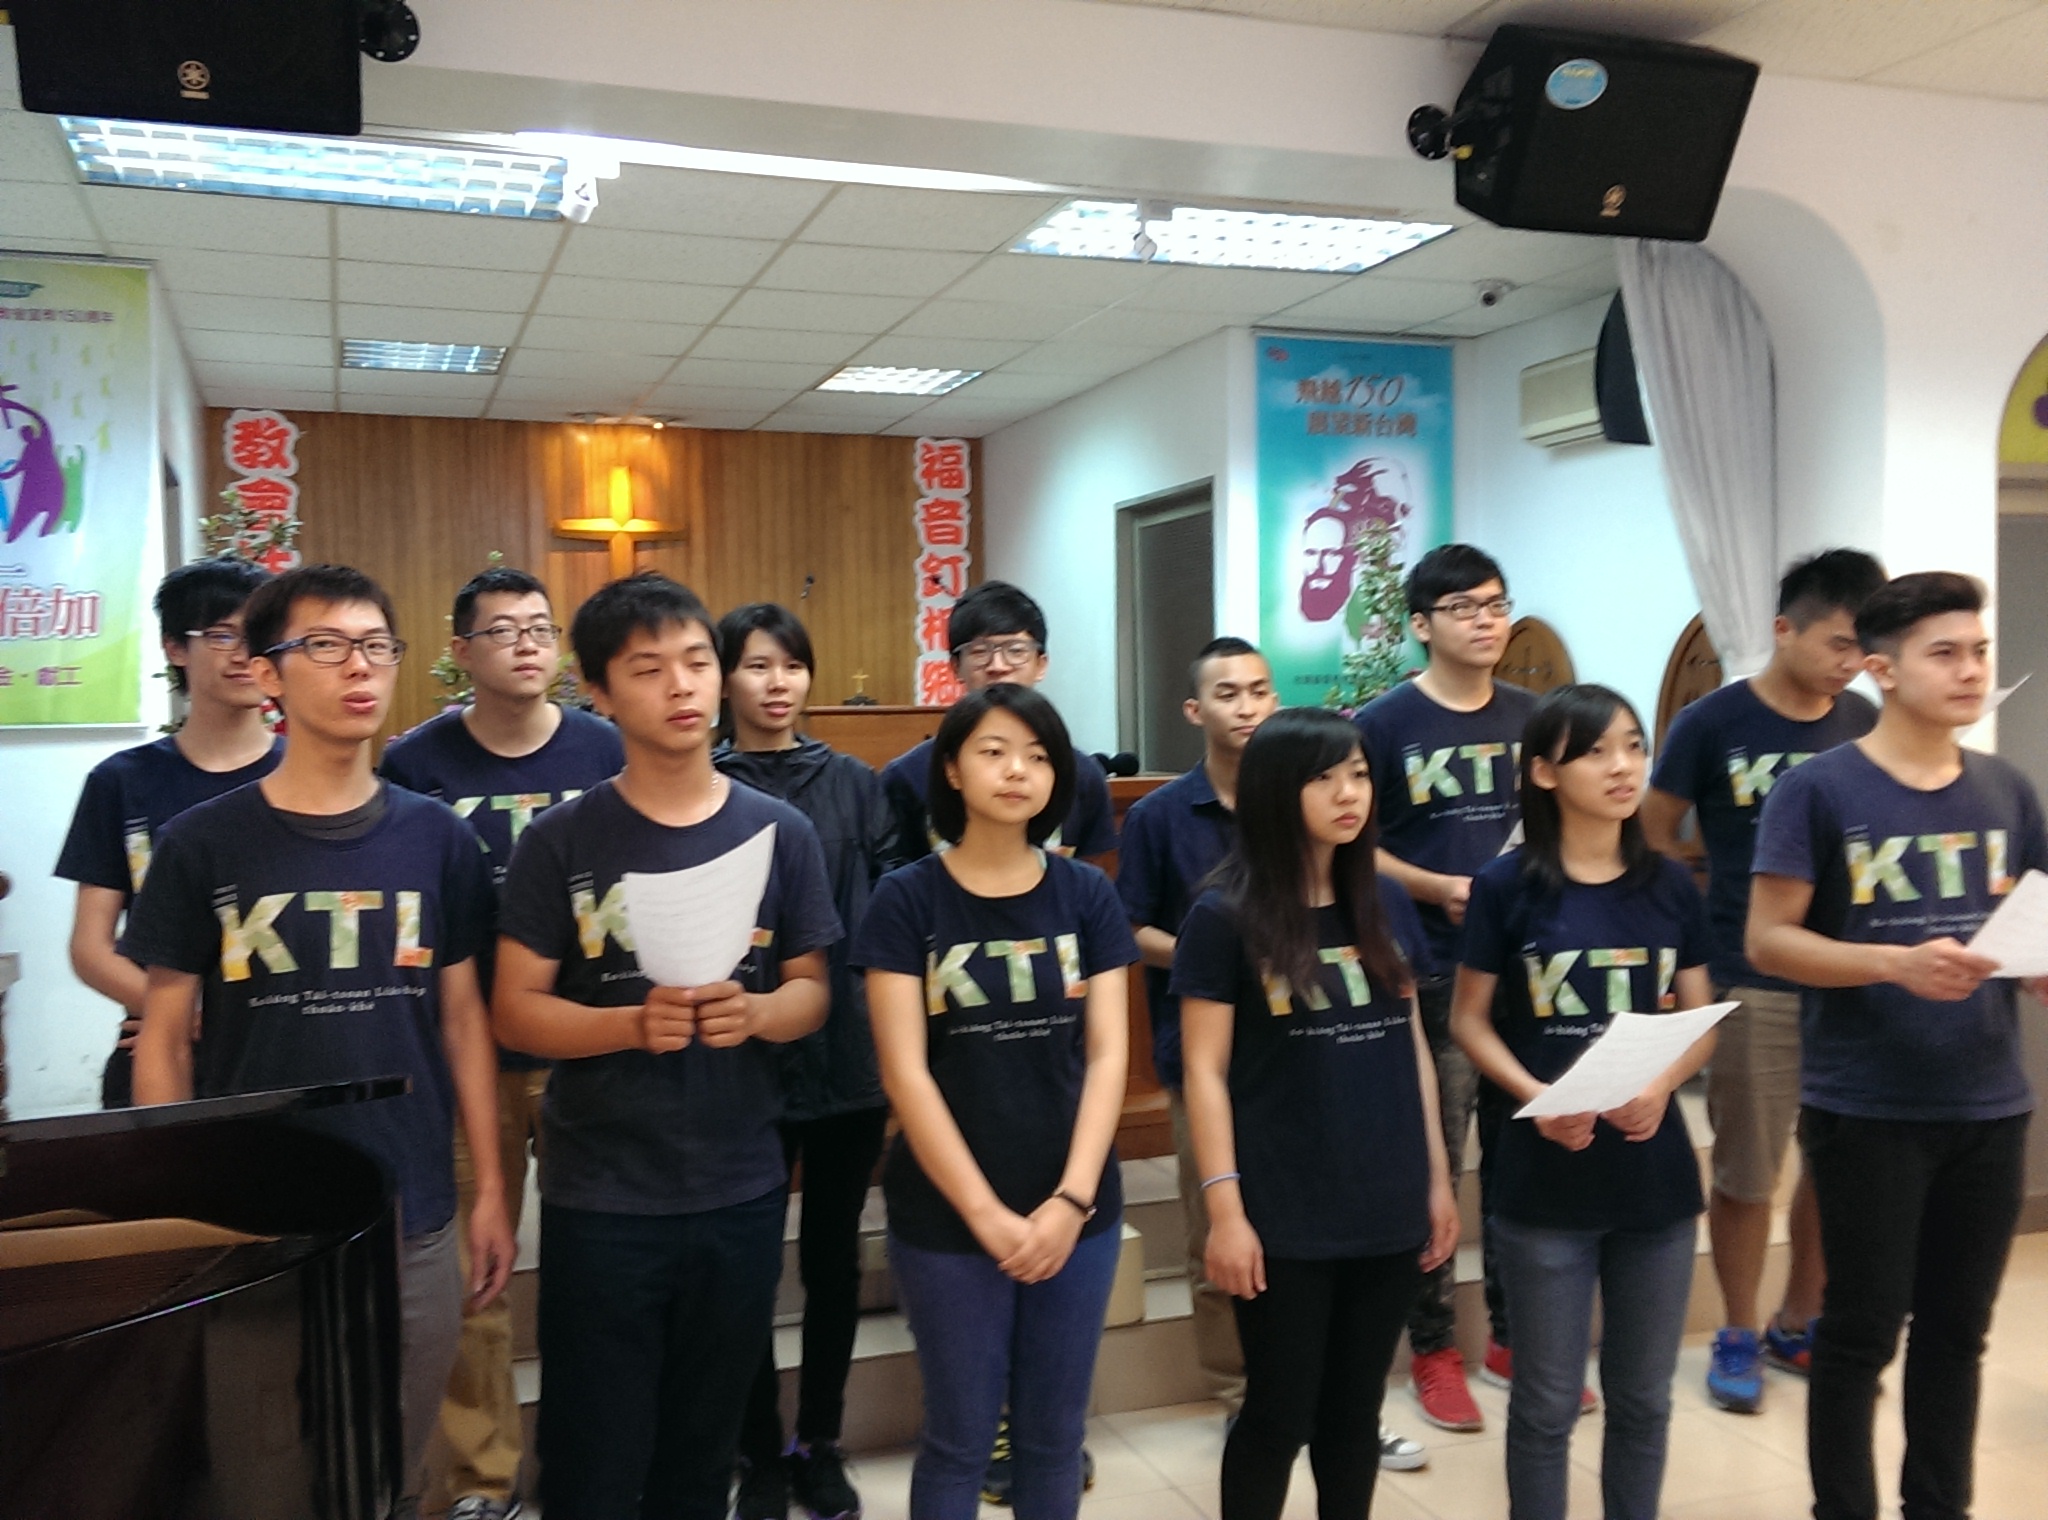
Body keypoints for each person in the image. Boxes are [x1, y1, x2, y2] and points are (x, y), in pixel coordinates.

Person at [121, 563, 515, 1519]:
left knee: (389, 1471)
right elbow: (164, 1036)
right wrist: (177, 1199)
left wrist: (491, 1190)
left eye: (376, 646)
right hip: (254, 1214)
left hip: (409, 1206)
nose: (359, 668)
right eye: (327, 646)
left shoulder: (438, 840)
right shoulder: (203, 843)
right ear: (267, 673)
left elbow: (463, 1020)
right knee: (262, 1476)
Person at [491, 572, 841, 1520]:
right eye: (648, 670)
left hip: (739, 1184)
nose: (682, 686)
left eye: (696, 662)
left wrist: (758, 1014)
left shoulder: (780, 832)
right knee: (592, 1458)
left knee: (701, 1452)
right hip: (603, 1195)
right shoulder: (561, 841)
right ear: (598, 693)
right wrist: (627, 1025)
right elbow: (514, 1011)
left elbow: (812, 991)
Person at [1748, 571, 2047, 1520]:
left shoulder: (2007, 789)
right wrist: (1893, 965)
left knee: (1958, 1335)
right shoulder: (1817, 790)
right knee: (1859, 1333)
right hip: (1866, 1105)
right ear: (1881, 670)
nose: (1970, 670)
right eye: (1943, 653)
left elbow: (2029, 927)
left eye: (1979, 651)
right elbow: (1768, 941)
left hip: (1990, 1103)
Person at [853, 683, 1135, 1520]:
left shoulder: (1086, 894)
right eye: (994, 751)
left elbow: (1109, 1054)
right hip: (947, 1215)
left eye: (1038, 756)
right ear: (951, 769)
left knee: (1054, 1438)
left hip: (1076, 1205)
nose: (1018, 771)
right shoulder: (907, 898)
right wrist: (986, 1215)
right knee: (959, 1439)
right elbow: (905, 1073)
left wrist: (1071, 1202)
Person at [381, 566, 624, 1520]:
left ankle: (588, 1459)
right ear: (460, 652)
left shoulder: (606, 748)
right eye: (503, 630)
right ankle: (482, 1482)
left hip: (586, 1049)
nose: (527, 644)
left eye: (540, 627)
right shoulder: (416, 764)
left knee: (596, 1264)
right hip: (464, 1060)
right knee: (472, 1278)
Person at [1175, 708, 1460, 1520]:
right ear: (1276, 789)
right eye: (1325, 778)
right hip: (1284, 1208)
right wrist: (1225, 1211)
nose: (1349, 794)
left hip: (1385, 1198)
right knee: (1277, 1414)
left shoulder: (1386, 901)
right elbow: (1204, 1072)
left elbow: (1412, 1044)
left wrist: (1436, 1180)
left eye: (1360, 775)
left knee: (1354, 1412)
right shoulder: (1223, 916)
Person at [1450, 683, 1718, 1520]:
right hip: (1545, 1178)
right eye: (1596, 751)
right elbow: (1468, 1020)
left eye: (1634, 746)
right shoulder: (1506, 886)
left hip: (1653, 1179)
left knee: (1643, 1399)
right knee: (1545, 1404)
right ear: (1544, 772)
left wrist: (1661, 1082)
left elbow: (1702, 1022)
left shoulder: (1669, 886)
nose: (1622, 767)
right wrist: (1537, 1096)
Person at [1642, 548, 1885, 1415]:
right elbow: (1655, 830)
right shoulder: (1711, 722)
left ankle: (1798, 1319)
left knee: (1834, 1162)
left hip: (1851, 977)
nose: (1851, 663)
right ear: (1784, 629)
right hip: (1752, 977)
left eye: (1863, 648)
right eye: (1838, 643)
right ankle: (1737, 1329)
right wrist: (1698, 914)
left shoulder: (1864, 720)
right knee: (1749, 1168)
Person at [713, 602, 908, 1520]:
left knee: (833, 1263)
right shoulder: (705, 783)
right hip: (739, 1063)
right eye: (757, 665)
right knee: (746, 1269)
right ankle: (757, 1451)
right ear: (726, 678)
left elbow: (890, 917)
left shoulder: (857, 785)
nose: (777, 682)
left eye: (790, 665)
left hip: (843, 1059)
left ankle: (818, 1440)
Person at [1351, 542, 1543, 1431]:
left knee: (1523, 1157)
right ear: (1421, 625)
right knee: (1438, 1159)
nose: (1485, 621)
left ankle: (1513, 1335)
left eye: (1496, 604)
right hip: (1430, 967)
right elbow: (1354, 842)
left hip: (1529, 973)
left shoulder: (1535, 718)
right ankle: (1432, 1349)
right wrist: (1437, 888)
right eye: (1464, 608)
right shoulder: (1384, 724)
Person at [1115, 637, 1277, 1413]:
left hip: (1299, 1044)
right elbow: (1127, 927)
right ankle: (1238, 1390)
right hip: (1201, 1050)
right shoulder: (1158, 815)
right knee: (1215, 1223)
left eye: (1258, 691)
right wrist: (1212, 959)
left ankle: (1301, 1385)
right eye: (1227, 693)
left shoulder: (1299, 799)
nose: (1246, 707)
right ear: (1194, 709)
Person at [56, 556, 280, 1108]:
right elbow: (90, 947)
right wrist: (179, 1015)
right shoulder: (122, 782)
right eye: (222, 635)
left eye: (257, 636)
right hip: (159, 1046)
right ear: (175, 648)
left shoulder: (308, 772)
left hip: (280, 1047)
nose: (244, 654)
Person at [881, 581, 1117, 864]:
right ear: (955, 667)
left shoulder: (1083, 774)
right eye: (980, 651)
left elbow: (1095, 872)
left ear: (1041, 664)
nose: (998, 666)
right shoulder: (906, 776)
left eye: (1015, 651)